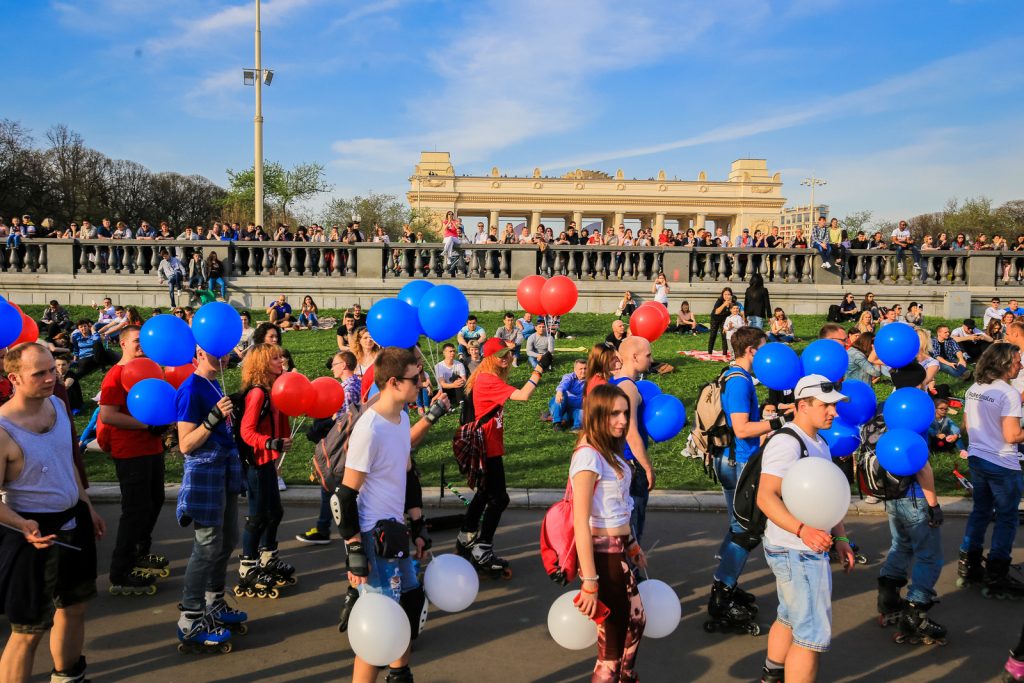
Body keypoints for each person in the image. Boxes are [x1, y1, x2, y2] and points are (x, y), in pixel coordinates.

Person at [340, 347, 449, 683]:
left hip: (397, 533)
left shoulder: (401, 419)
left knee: (407, 611)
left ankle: (400, 675)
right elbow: (345, 496)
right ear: (393, 382)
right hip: (374, 538)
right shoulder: (369, 429)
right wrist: (355, 550)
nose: (422, 383)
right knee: (380, 629)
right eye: (415, 378)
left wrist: (418, 526)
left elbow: (406, 475)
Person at [0, 344, 105, 683]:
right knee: (28, 629)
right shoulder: (3, 431)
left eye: (52, 370)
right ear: (14, 378)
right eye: (40, 373)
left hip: (74, 521)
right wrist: (21, 524)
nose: (51, 378)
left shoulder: (59, 406)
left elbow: (67, 463)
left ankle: (68, 676)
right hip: (32, 535)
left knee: (73, 608)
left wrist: (86, 505)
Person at [756, 375, 855, 683]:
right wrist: (803, 531)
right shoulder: (788, 442)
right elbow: (765, 496)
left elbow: (826, 497)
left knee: (789, 617)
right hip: (797, 550)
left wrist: (840, 536)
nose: (834, 413)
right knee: (809, 636)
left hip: (800, 546)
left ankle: (772, 676)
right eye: (827, 406)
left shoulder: (819, 443)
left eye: (835, 407)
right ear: (802, 405)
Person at [707, 326, 787, 631]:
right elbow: (741, 429)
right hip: (739, 461)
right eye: (764, 348)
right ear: (752, 350)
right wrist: (778, 422)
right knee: (746, 532)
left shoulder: (731, 374)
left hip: (731, 459)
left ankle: (726, 582)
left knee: (738, 527)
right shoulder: (740, 381)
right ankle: (722, 595)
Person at [570, 383, 647, 681]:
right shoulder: (588, 456)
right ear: (598, 415)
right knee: (611, 648)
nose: (622, 420)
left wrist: (632, 546)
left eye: (625, 413)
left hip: (620, 555)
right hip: (604, 560)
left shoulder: (607, 452)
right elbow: (581, 521)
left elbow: (618, 509)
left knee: (635, 625)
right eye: (614, 413)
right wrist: (590, 580)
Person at [455, 338, 551, 575]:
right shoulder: (488, 379)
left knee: (485, 493)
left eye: (509, 354)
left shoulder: (486, 377)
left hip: (487, 445)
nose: (507, 358)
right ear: (490, 359)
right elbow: (523, 395)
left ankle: (466, 535)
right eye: (501, 355)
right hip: (487, 448)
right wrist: (539, 367)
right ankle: (482, 549)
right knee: (499, 499)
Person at [174, 346, 247, 652]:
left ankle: (213, 601)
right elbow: (185, 445)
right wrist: (213, 419)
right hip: (205, 471)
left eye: (227, 351)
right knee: (206, 545)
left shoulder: (217, 383)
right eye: (218, 351)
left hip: (225, 468)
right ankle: (190, 618)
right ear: (200, 352)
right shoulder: (190, 389)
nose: (225, 356)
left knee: (228, 539)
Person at [875, 365, 947, 643]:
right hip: (915, 496)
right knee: (929, 555)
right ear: (917, 384)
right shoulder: (914, 410)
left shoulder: (887, 406)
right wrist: (934, 505)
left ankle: (888, 597)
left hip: (891, 493)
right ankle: (915, 612)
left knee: (901, 545)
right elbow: (923, 467)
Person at [98, 326, 169, 595]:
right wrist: (145, 425)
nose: (141, 345)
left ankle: (141, 552)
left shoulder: (150, 371)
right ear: (123, 343)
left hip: (151, 448)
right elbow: (108, 415)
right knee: (135, 510)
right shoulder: (116, 375)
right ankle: (120, 570)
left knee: (155, 501)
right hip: (130, 452)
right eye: (136, 341)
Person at [957, 344, 1024, 599]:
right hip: (1002, 463)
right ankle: (997, 574)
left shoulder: (975, 388)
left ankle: (969, 565)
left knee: (981, 511)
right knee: (1007, 518)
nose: (1021, 365)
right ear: (1005, 364)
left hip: (978, 458)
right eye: (1017, 361)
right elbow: (1012, 435)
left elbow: (965, 424)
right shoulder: (1008, 394)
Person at [236, 344, 295, 597]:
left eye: (281, 356)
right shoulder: (258, 394)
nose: (281, 360)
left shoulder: (274, 389)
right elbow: (246, 431)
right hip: (256, 463)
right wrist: (271, 443)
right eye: (275, 358)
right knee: (258, 515)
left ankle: (267, 557)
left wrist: (280, 442)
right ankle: (247, 565)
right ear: (261, 364)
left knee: (275, 512)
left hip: (267, 461)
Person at [296, 350, 361, 547]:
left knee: (330, 485)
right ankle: (325, 526)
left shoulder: (346, 390)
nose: (332, 368)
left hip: (341, 446)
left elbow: (343, 421)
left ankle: (326, 529)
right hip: (349, 445)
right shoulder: (357, 383)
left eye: (334, 364)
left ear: (344, 365)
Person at [608, 337, 656, 541]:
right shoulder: (628, 388)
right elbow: (631, 431)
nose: (652, 359)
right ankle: (632, 572)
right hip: (630, 465)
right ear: (635, 357)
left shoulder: (614, 381)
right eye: (648, 355)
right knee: (632, 528)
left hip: (614, 459)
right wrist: (647, 467)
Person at [547, 359, 586, 432]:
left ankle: (576, 427)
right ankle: (557, 423)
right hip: (561, 404)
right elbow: (563, 384)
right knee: (563, 394)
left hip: (574, 409)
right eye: (580, 369)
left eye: (585, 368)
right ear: (575, 370)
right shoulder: (569, 377)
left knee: (580, 412)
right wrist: (559, 392)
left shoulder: (590, 380)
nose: (583, 371)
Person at [708, 288, 735, 356]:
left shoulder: (733, 301)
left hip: (724, 319)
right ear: (722, 295)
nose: (727, 296)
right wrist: (724, 304)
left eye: (729, 294)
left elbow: (733, 312)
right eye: (725, 294)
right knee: (713, 335)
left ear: (731, 295)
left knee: (725, 335)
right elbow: (716, 312)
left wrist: (730, 304)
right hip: (715, 318)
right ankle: (709, 353)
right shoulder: (719, 301)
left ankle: (724, 355)